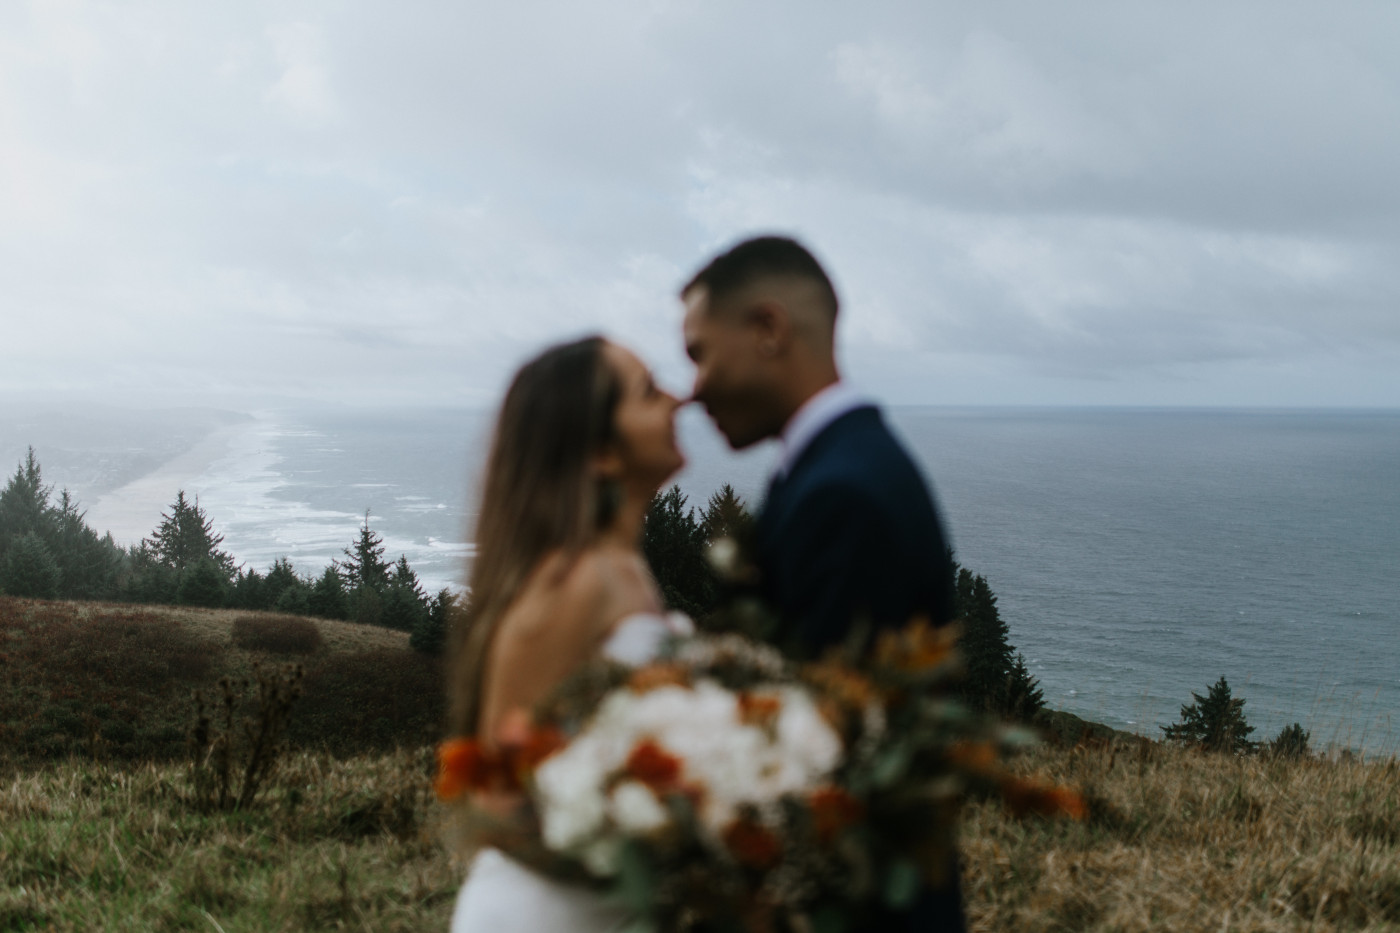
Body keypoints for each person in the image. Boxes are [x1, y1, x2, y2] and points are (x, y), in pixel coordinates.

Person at [681, 234, 965, 931]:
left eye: (699, 352)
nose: (693, 387)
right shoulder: (840, 467)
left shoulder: (844, 496)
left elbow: (835, 755)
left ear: (768, 329)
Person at [445, 335, 688, 933]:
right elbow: (496, 799)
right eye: (650, 392)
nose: (678, 401)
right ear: (603, 452)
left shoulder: (625, 566)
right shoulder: (570, 583)